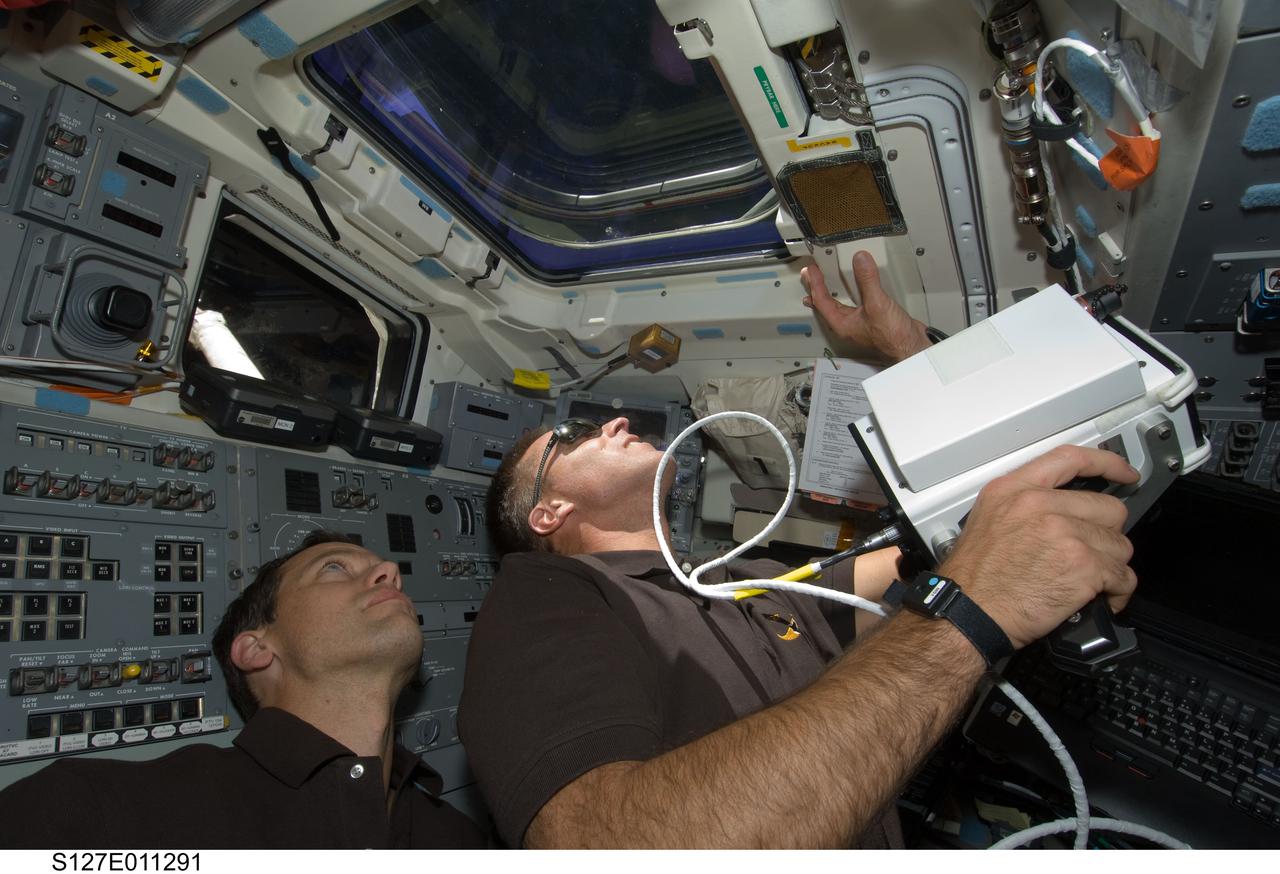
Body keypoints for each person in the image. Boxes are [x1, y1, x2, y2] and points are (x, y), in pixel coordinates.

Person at [459, 252, 1139, 848]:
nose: (610, 420)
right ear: (549, 512)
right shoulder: (537, 602)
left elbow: (947, 537)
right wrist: (972, 614)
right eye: (572, 435)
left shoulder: (738, 577)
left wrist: (912, 354)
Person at [0, 531, 485, 849]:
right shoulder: (94, 814)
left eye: (384, 568)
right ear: (256, 649)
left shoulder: (458, 838)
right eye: (335, 568)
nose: (389, 572)